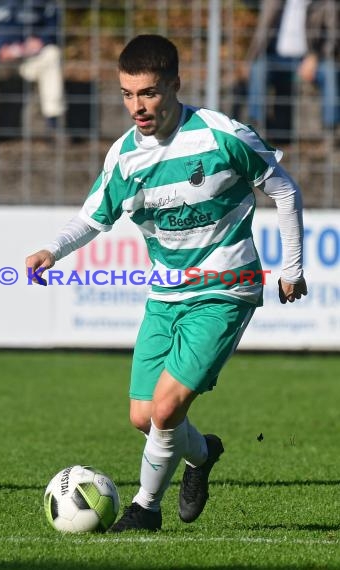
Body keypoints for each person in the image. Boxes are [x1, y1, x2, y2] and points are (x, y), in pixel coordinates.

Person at [26, 34, 307, 532]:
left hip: (226, 286)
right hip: (165, 294)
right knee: (144, 416)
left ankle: (145, 509)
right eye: (128, 95)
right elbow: (93, 219)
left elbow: (283, 188)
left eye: (150, 93)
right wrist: (53, 249)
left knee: (168, 406)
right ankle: (201, 456)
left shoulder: (223, 136)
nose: (138, 106)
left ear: (175, 85)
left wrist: (293, 268)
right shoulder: (124, 158)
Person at [0, 0, 64, 134]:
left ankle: (53, 123)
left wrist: (41, 41)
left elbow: (54, 24)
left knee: (52, 54)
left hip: (30, 59)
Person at [244, 0, 309, 143]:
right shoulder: (274, 3)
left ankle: (331, 132)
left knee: (329, 71)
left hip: (307, 57)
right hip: (275, 56)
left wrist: (314, 57)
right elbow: (261, 34)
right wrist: (250, 60)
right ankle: (257, 125)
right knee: (258, 69)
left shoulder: (319, 4)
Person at [297, 0, 340, 133]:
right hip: (290, 58)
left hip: (322, 58)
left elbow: (333, 38)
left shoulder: (328, 5)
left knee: (330, 72)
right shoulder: (312, 6)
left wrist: (314, 56)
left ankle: (330, 129)